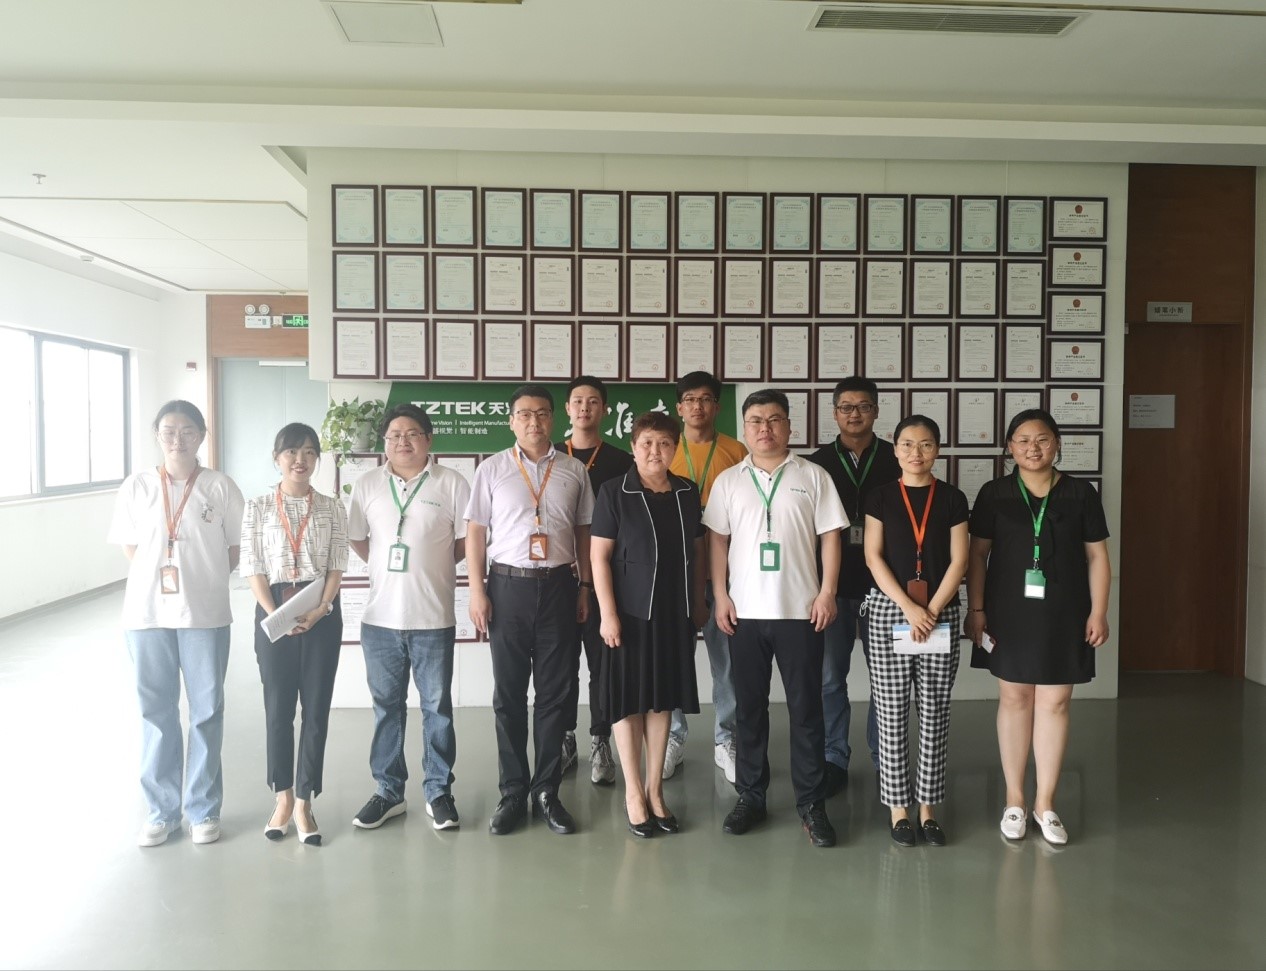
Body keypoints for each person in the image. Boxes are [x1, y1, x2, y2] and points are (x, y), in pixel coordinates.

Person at [705, 390, 846, 848]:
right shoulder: (728, 480)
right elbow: (717, 542)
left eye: (774, 420)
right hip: (744, 614)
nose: (765, 428)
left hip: (801, 612)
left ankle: (811, 804)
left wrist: (827, 592)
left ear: (789, 426)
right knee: (749, 711)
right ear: (744, 428)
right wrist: (721, 595)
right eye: (755, 421)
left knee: (806, 711)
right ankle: (751, 796)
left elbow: (831, 537)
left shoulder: (814, 476)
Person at [965, 409, 1111, 846]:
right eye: (1023, 440)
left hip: (1066, 611)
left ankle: (1046, 803)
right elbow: (977, 555)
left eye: (1043, 439)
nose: (1033, 448)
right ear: (1009, 446)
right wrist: (976, 610)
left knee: (1056, 703)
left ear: (1057, 444)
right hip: (1007, 612)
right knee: (1014, 698)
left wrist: (1099, 611)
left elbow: (1097, 557)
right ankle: (1015, 799)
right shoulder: (994, 493)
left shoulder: (1081, 493)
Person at [108, 400, 244, 846]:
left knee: (206, 711)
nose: (178, 439)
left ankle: (203, 810)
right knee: (156, 712)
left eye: (187, 431)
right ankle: (161, 812)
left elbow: (235, 549)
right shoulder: (137, 486)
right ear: (157, 435)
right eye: (169, 430)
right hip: (146, 615)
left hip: (205, 614)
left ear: (201, 435)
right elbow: (131, 547)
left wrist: (202, 580)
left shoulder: (220, 486)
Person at [466, 384, 594, 835]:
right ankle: (513, 792)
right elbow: (476, 532)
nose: (534, 422)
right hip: (507, 588)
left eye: (541, 413)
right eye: (524, 414)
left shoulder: (574, 469)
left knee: (556, 695)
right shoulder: (492, 469)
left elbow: (584, 531)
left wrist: (584, 586)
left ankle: (547, 791)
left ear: (554, 419)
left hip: (560, 586)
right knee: (509, 695)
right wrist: (477, 591)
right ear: (511, 421)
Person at [347, 404, 471, 832]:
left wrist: (431, 562)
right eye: (394, 435)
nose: (403, 441)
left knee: (437, 708)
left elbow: (464, 542)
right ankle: (388, 792)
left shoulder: (452, 483)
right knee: (387, 708)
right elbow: (360, 540)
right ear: (384, 442)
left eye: (412, 433)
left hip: (433, 617)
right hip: (380, 619)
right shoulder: (367, 485)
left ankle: (438, 792)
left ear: (429, 439)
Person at [590, 412, 707, 838]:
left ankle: (656, 791)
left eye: (664, 444)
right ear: (634, 447)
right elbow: (599, 557)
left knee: (661, 701)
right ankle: (634, 793)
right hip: (629, 615)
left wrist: (699, 603)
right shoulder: (614, 491)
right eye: (646, 444)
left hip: (673, 614)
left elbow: (698, 552)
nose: (655, 452)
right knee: (629, 703)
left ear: (675, 448)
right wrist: (608, 613)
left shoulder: (687, 492)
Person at [863, 415, 968, 848]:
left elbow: (960, 560)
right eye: (907, 444)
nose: (916, 453)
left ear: (937, 450)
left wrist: (932, 610)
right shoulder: (881, 496)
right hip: (891, 610)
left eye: (925, 444)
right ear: (895, 449)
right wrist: (909, 607)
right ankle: (898, 810)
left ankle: (928, 809)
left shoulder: (953, 497)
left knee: (934, 711)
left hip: (940, 611)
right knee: (890, 713)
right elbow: (873, 556)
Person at [240, 423, 347, 846]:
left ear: (317, 458)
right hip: (273, 611)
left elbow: (337, 564)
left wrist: (321, 609)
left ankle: (305, 801)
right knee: (278, 710)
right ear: (277, 457)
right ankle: (282, 798)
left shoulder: (332, 507)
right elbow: (252, 566)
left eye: (308, 452)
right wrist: (277, 616)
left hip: (321, 614)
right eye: (291, 452)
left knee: (316, 711)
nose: (299, 460)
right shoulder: (258, 507)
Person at [808, 376, 900, 795]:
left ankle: (885, 758)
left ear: (876, 411)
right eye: (846, 407)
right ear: (835, 413)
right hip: (832, 587)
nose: (855, 414)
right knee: (830, 678)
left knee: (886, 682)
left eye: (863, 406)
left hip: (887, 587)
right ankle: (834, 757)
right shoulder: (816, 463)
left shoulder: (898, 458)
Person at [666, 370, 748, 784]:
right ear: (679, 408)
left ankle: (725, 738)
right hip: (673, 572)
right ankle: (672, 737)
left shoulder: (736, 451)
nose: (697, 406)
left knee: (727, 662)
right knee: (671, 658)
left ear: (717, 406)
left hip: (725, 573)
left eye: (705, 399)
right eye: (690, 399)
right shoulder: (664, 449)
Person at [556, 376, 633, 786]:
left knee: (603, 665)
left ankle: (600, 739)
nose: (585, 408)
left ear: (604, 409)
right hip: (558, 577)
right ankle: (565, 738)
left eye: (593, 401)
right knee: (561, 665)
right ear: (567, 409)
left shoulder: (622, 461)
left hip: (607, 580)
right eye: (577, 401)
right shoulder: (550, 455)